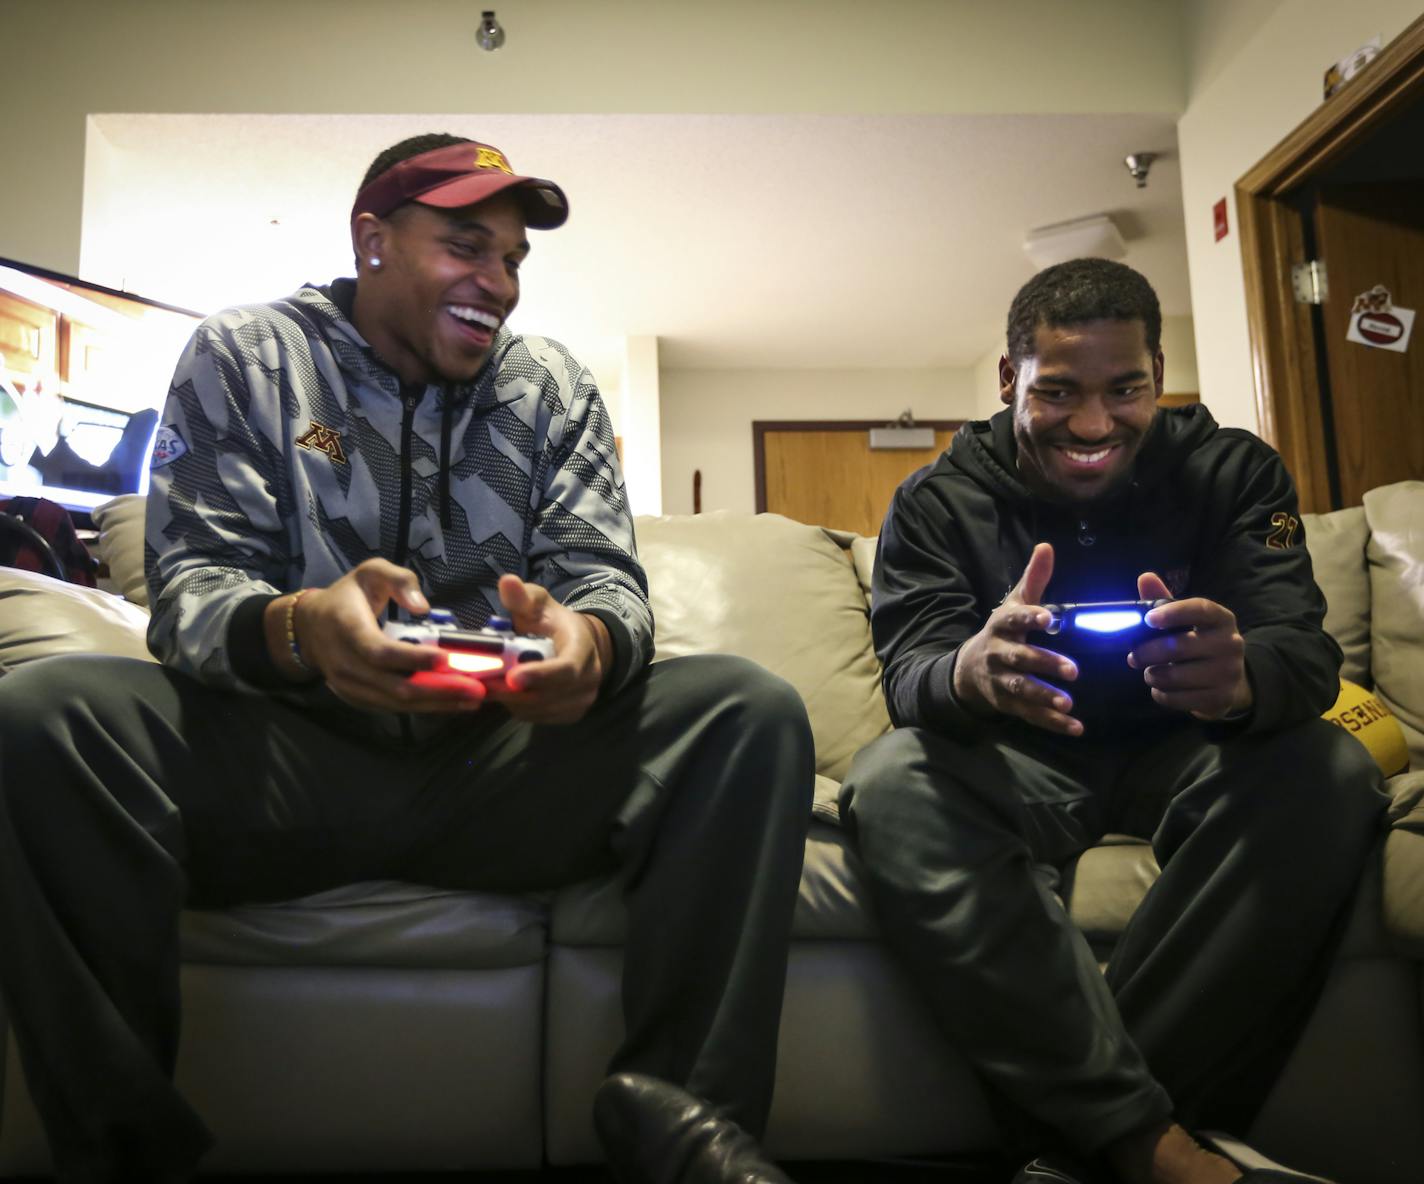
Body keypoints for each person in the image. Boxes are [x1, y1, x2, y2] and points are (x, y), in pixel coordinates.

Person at [0, 133, 813, 1184]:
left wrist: (592, 645)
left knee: (746, 708)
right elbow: (193, 589)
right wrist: (302, 628)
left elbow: (607, 580)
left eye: (515, 257)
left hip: (500, 767)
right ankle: (121, 1153)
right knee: (42, 713)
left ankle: (687, 1129)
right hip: (277, 762)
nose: (499, 282)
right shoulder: (245, 352)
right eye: (466, 245)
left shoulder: (551, 389)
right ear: (372, 239)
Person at [838, 259, 1387, 1184]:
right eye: (1057, 393)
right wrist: (970, 672)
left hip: (1193, 747)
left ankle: (1086, 1150)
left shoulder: (1236, 473)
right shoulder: (933, 501)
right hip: (1018, 758)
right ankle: (1148, 1144)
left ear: (1159, 374)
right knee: (892, 780)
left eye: (1125, 389)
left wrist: (1243, 677)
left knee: (1331, 770)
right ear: (1009, 380)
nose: (1093, 426)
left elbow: (1304, 654)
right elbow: (913, 678)